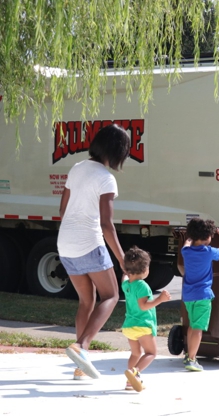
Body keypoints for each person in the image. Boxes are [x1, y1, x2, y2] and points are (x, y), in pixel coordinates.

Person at [57, 123, 130, 380]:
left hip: (65, 243)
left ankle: (80, 365)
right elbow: (106, 224)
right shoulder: (106, 178)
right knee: (111, 296)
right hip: (89, 242)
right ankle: (82, 347)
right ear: (118, 151)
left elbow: (62, 209)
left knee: (86, 301)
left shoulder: (77, 168)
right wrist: (122, 260)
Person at [121, 246, 171, 391]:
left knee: (136, 353)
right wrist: (160, 299)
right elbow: (144, 306)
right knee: (151, 353)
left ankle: (130, 382)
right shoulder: (142, 286)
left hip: (129, 326)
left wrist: (126, 272)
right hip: (142, 325)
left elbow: (124, 277)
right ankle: (134, 372)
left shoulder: (127, 285)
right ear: (145, 270)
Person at [181, 218, 219, 371]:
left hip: (188, 296)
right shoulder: (208, 252)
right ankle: (192, 359)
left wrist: (189, 238)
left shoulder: (186, 252)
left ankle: (189, 355)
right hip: (203, 295)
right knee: (198, 329)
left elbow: (186, 244)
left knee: (191, 326)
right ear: (207, 237)